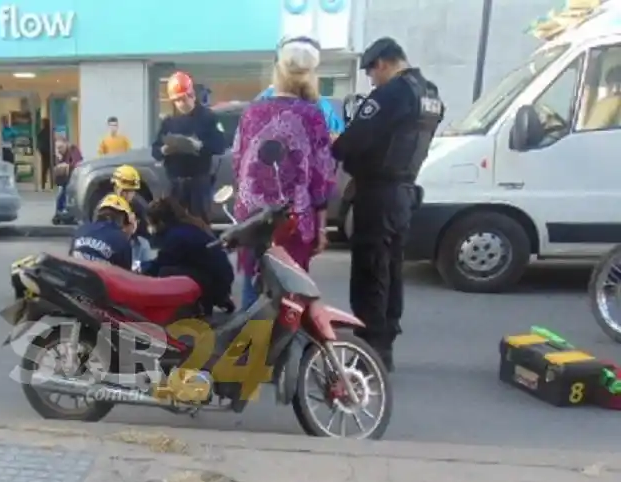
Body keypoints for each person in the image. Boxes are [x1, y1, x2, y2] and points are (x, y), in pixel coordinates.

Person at [332, 37, 443, 371]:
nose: (371, 79)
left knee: (370, 273)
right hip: (404, 193)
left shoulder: (392, 93)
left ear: (382, 63)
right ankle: (386, 345)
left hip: (377, 193)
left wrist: (337, 143)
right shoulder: (430, 93)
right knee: (392, 270)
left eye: (371, 72)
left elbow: (352, 142)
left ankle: (370, 351)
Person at [233, 36, 336, 309]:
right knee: (292, 299)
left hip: (253, 220)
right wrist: (322, 227)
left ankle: (249, 350)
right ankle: (287, 350)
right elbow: (321, 177)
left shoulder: (251, 113)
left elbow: (237, 162)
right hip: (293, 221)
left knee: (252, 294)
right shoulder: (313, 115)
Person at [152, 71, 226, 223]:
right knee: (174, 227)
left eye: (183, 99)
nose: (180, 104)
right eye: (176, 101)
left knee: (200, 228)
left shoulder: (207, 118)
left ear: (191, 94)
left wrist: (200, 146)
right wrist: (164, 150)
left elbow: (220, 145)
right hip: (175, 185)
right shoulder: (169, 122)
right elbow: (155, 150)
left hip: (198, 185)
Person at [145, 197, 235, 313]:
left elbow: (161, 263)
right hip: (221, 277)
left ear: (160, 222)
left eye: (151, 224)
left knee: (165, 272)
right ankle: (217, 298)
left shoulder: (175, 237)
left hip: (215, 282)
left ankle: (200, 305)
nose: (150, 228)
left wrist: (138, 274)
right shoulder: (187, 227)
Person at [69, 193, 135, 270]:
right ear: (123, 219)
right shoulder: (121, 239)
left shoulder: (81, 230)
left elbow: (70, 259)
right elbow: (125, 276)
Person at [52, 134, 82, 223]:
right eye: (57, 148)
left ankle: (65, 214)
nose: (59, 150)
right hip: (66, 178)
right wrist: (59, 158)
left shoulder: (73, 150)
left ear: (66, 144)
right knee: (61, 194)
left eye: (60, 147)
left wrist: (67, 165)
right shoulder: (61, 154)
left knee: (66, 194)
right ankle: (59, 213)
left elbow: (77, 162)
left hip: (75, 177)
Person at [36, 118, 52, 188]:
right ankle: (51, 183)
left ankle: (43, 183)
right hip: (49, 151)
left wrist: (39, 149)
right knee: (50, 167)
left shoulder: (42, 132)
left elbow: (39, 141)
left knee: (44, 167)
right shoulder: (50, 131)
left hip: (44, 151)